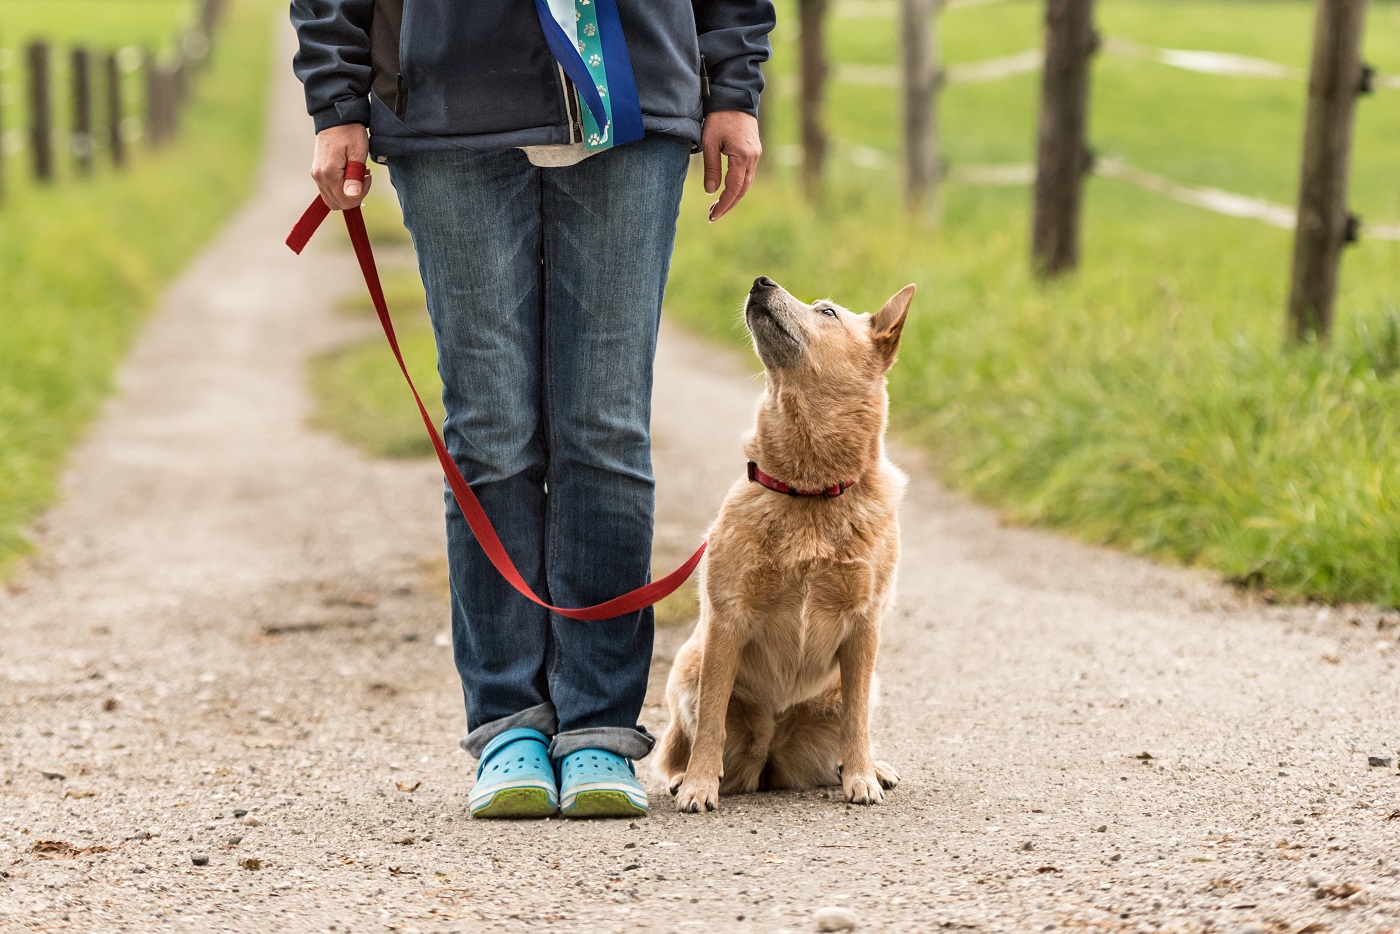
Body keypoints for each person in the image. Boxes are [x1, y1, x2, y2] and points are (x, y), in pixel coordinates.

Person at [289, 0, 774, 819]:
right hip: (449, 104)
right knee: (490, 432)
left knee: (605, 430)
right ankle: (508, 722)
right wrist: (337, 100)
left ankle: (597, 726)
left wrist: (733, 85)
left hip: (633, 102)